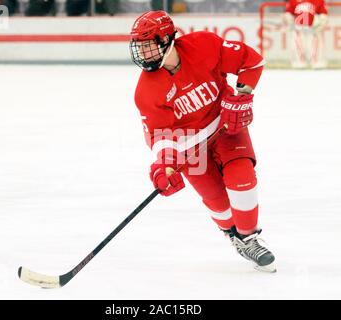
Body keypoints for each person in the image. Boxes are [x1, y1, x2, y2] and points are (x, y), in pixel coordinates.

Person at [129, 10, 276, 272]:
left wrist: (241, 96)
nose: (143, 54)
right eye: (139, 48)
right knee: (217, 200)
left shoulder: (204, 45)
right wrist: (164, 165)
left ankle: (250, 238)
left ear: (166, 39)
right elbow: (160, 134)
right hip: (188, 147)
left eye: (148, 46)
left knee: (241, 177)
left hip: (225, 126)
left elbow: (251, 62)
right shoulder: (146, 91)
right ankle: (233, 235)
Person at [283, 0, 328, 69]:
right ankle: (299, 62)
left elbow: (323, 14)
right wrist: (290, 21)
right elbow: (288, 13)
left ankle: (316, 62)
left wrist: (321, 22)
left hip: (313, 29)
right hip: (299, 29)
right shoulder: (293, 1)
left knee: (316, 45)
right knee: (297, 44)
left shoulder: (319, 1)